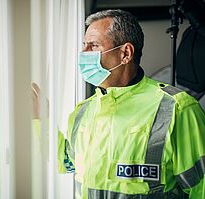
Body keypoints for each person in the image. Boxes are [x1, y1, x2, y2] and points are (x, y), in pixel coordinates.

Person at [32, 9, 205, 198]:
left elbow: (200, 187)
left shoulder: (177, 108)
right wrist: (42, 118)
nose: (84, 53)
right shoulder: (83, 111)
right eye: (84, 45)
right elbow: (67, 162)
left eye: (93, 45)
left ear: (125, 53)